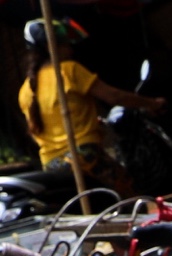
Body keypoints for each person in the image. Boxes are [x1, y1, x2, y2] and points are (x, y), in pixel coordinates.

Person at [18, 16, 164, 174]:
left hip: (52, 166)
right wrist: (152, 103)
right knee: (132, 192)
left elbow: (37, 129)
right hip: (83, 156)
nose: (70, 49)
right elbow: (114, 97)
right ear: (50, 47)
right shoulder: (68, 70)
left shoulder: (25, 90)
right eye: (65, 44)